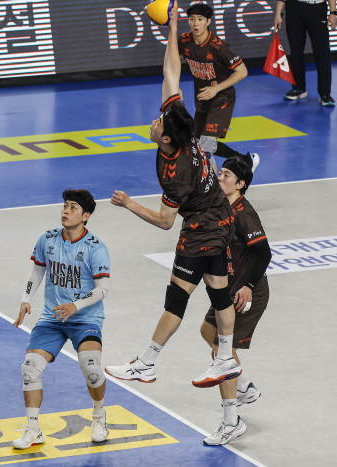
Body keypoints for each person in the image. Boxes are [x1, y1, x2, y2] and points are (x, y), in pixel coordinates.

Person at [105, 4, 240, 394]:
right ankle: (225, 357)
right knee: (218, 290)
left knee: (177, 295)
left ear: (165, 139)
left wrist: (130, 204)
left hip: (201, 228)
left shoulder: (174, 171)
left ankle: (146, 364)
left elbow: (166, 221)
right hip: (221, 216)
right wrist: (173, 26)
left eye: (157, 123)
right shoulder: (181, 121)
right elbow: (171, 71)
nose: (154, 122)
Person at [11, 189, 111, 448]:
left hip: (85, 319)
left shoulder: (96, 248)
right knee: (30, 369)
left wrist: (75, 306)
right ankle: (33, 430)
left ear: (86, 216)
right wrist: (26, 299)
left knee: (91, 368)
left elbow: (102, 289)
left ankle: (99, 416)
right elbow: (37, 271)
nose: (66, 211)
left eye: (73, 207)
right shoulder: (47, 239)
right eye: (65, 206)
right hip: (52, 317)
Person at [200, 156, 271, 445]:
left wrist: (249, 286)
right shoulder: (222, 206)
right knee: (207, 331)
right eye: (221, 173)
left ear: (240, 184)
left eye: (226, 175)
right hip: (228, 288)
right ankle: (243, 388)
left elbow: (264, 253)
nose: (220, 178)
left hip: (248, 291)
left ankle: (231, 422)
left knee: (223, 354)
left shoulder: (244, 214)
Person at [178, 3, 259, 173]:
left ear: (208, 22)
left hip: (222, 98)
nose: (195, 23)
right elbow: (173, 61)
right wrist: (175, 85)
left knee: (206, 145)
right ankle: (245, 161)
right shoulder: (184, 41)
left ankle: (211, 183)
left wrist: (216, 89)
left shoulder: (218, 47)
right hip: (202, 99)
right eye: (192, 19)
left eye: (200, 19)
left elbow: (242, 71)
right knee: (197, 145)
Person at [274, 0, 337, 106]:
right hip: (294, 8)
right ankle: (298, 88)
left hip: (317, 8)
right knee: (295, 51)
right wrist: (278, 14)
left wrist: (333, 12)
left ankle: (325, 94)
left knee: (322, 52)